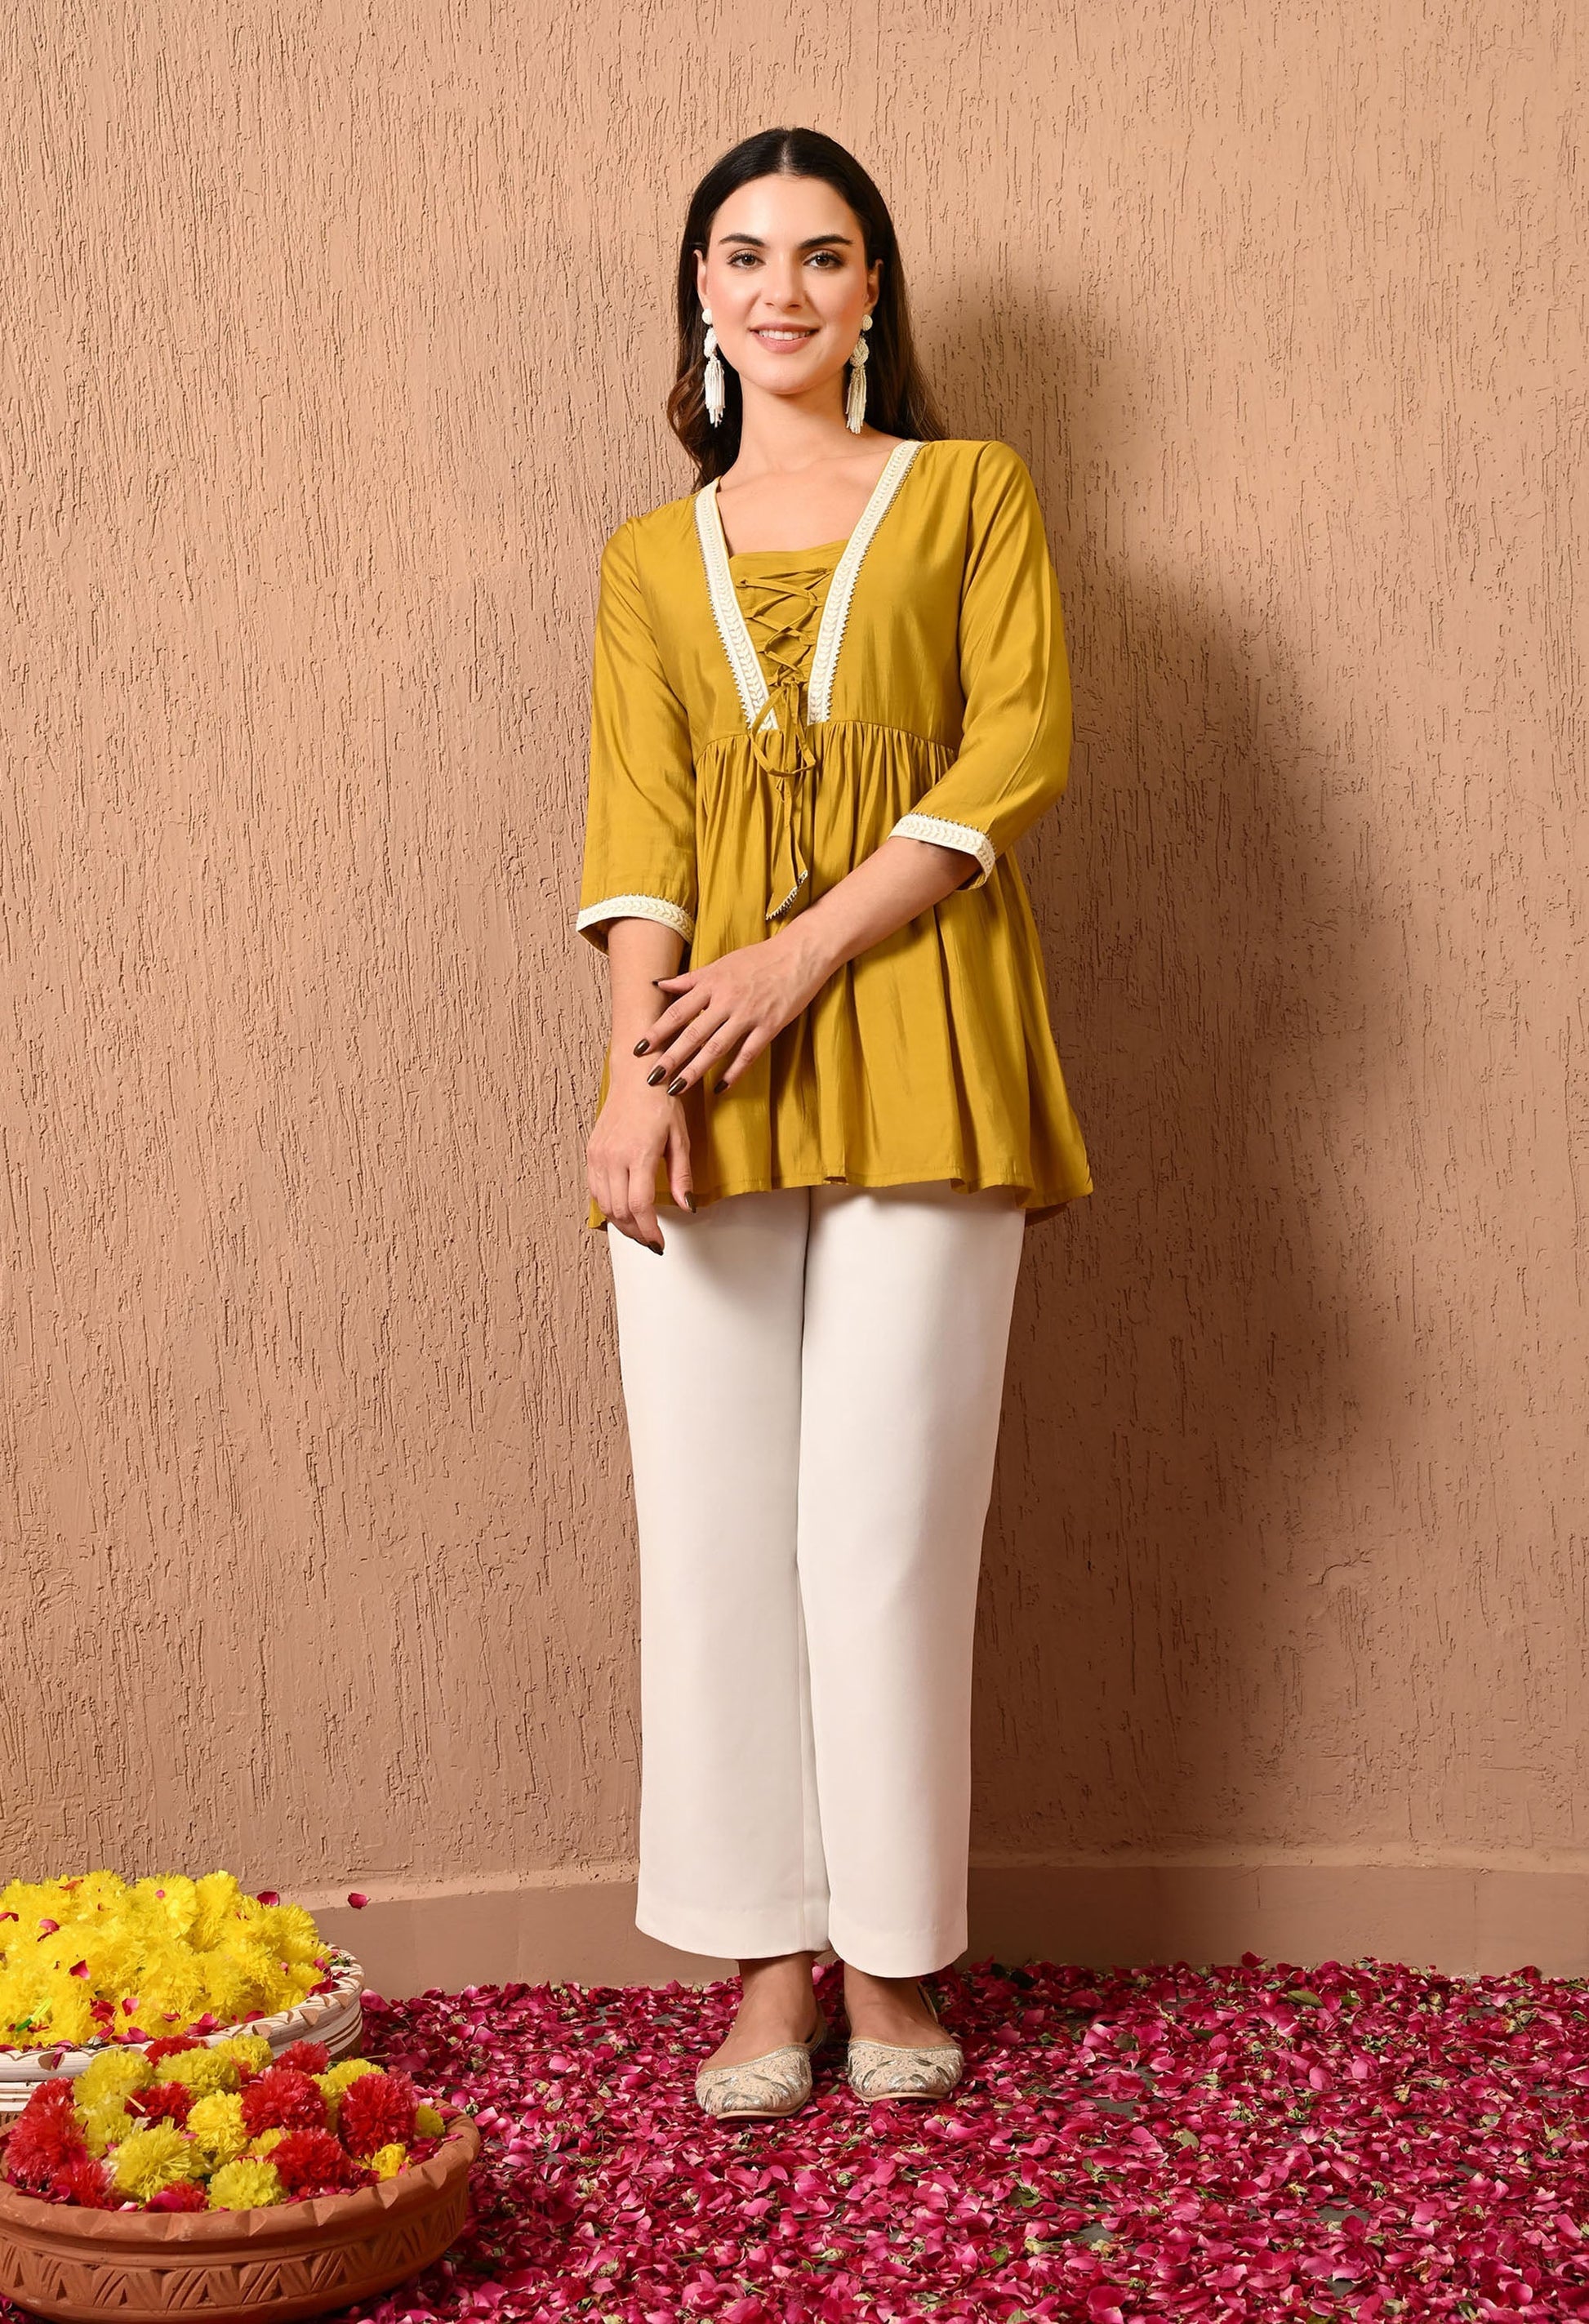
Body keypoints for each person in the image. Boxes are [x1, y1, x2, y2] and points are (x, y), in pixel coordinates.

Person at [575, 126, 1092, 2121]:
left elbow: (1017, 743)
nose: (777, 288)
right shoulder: (647, 558)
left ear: (875, 290)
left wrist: (795, 958)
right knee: (711, 1532)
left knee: (883, 1531)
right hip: (696, 1059)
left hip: (921, 1029)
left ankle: (887, 1949)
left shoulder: (971, 493)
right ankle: (760, 1959)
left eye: (820, 253)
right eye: (741, 254)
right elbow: (638, 826)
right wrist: (633, 1073)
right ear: (698, 295)